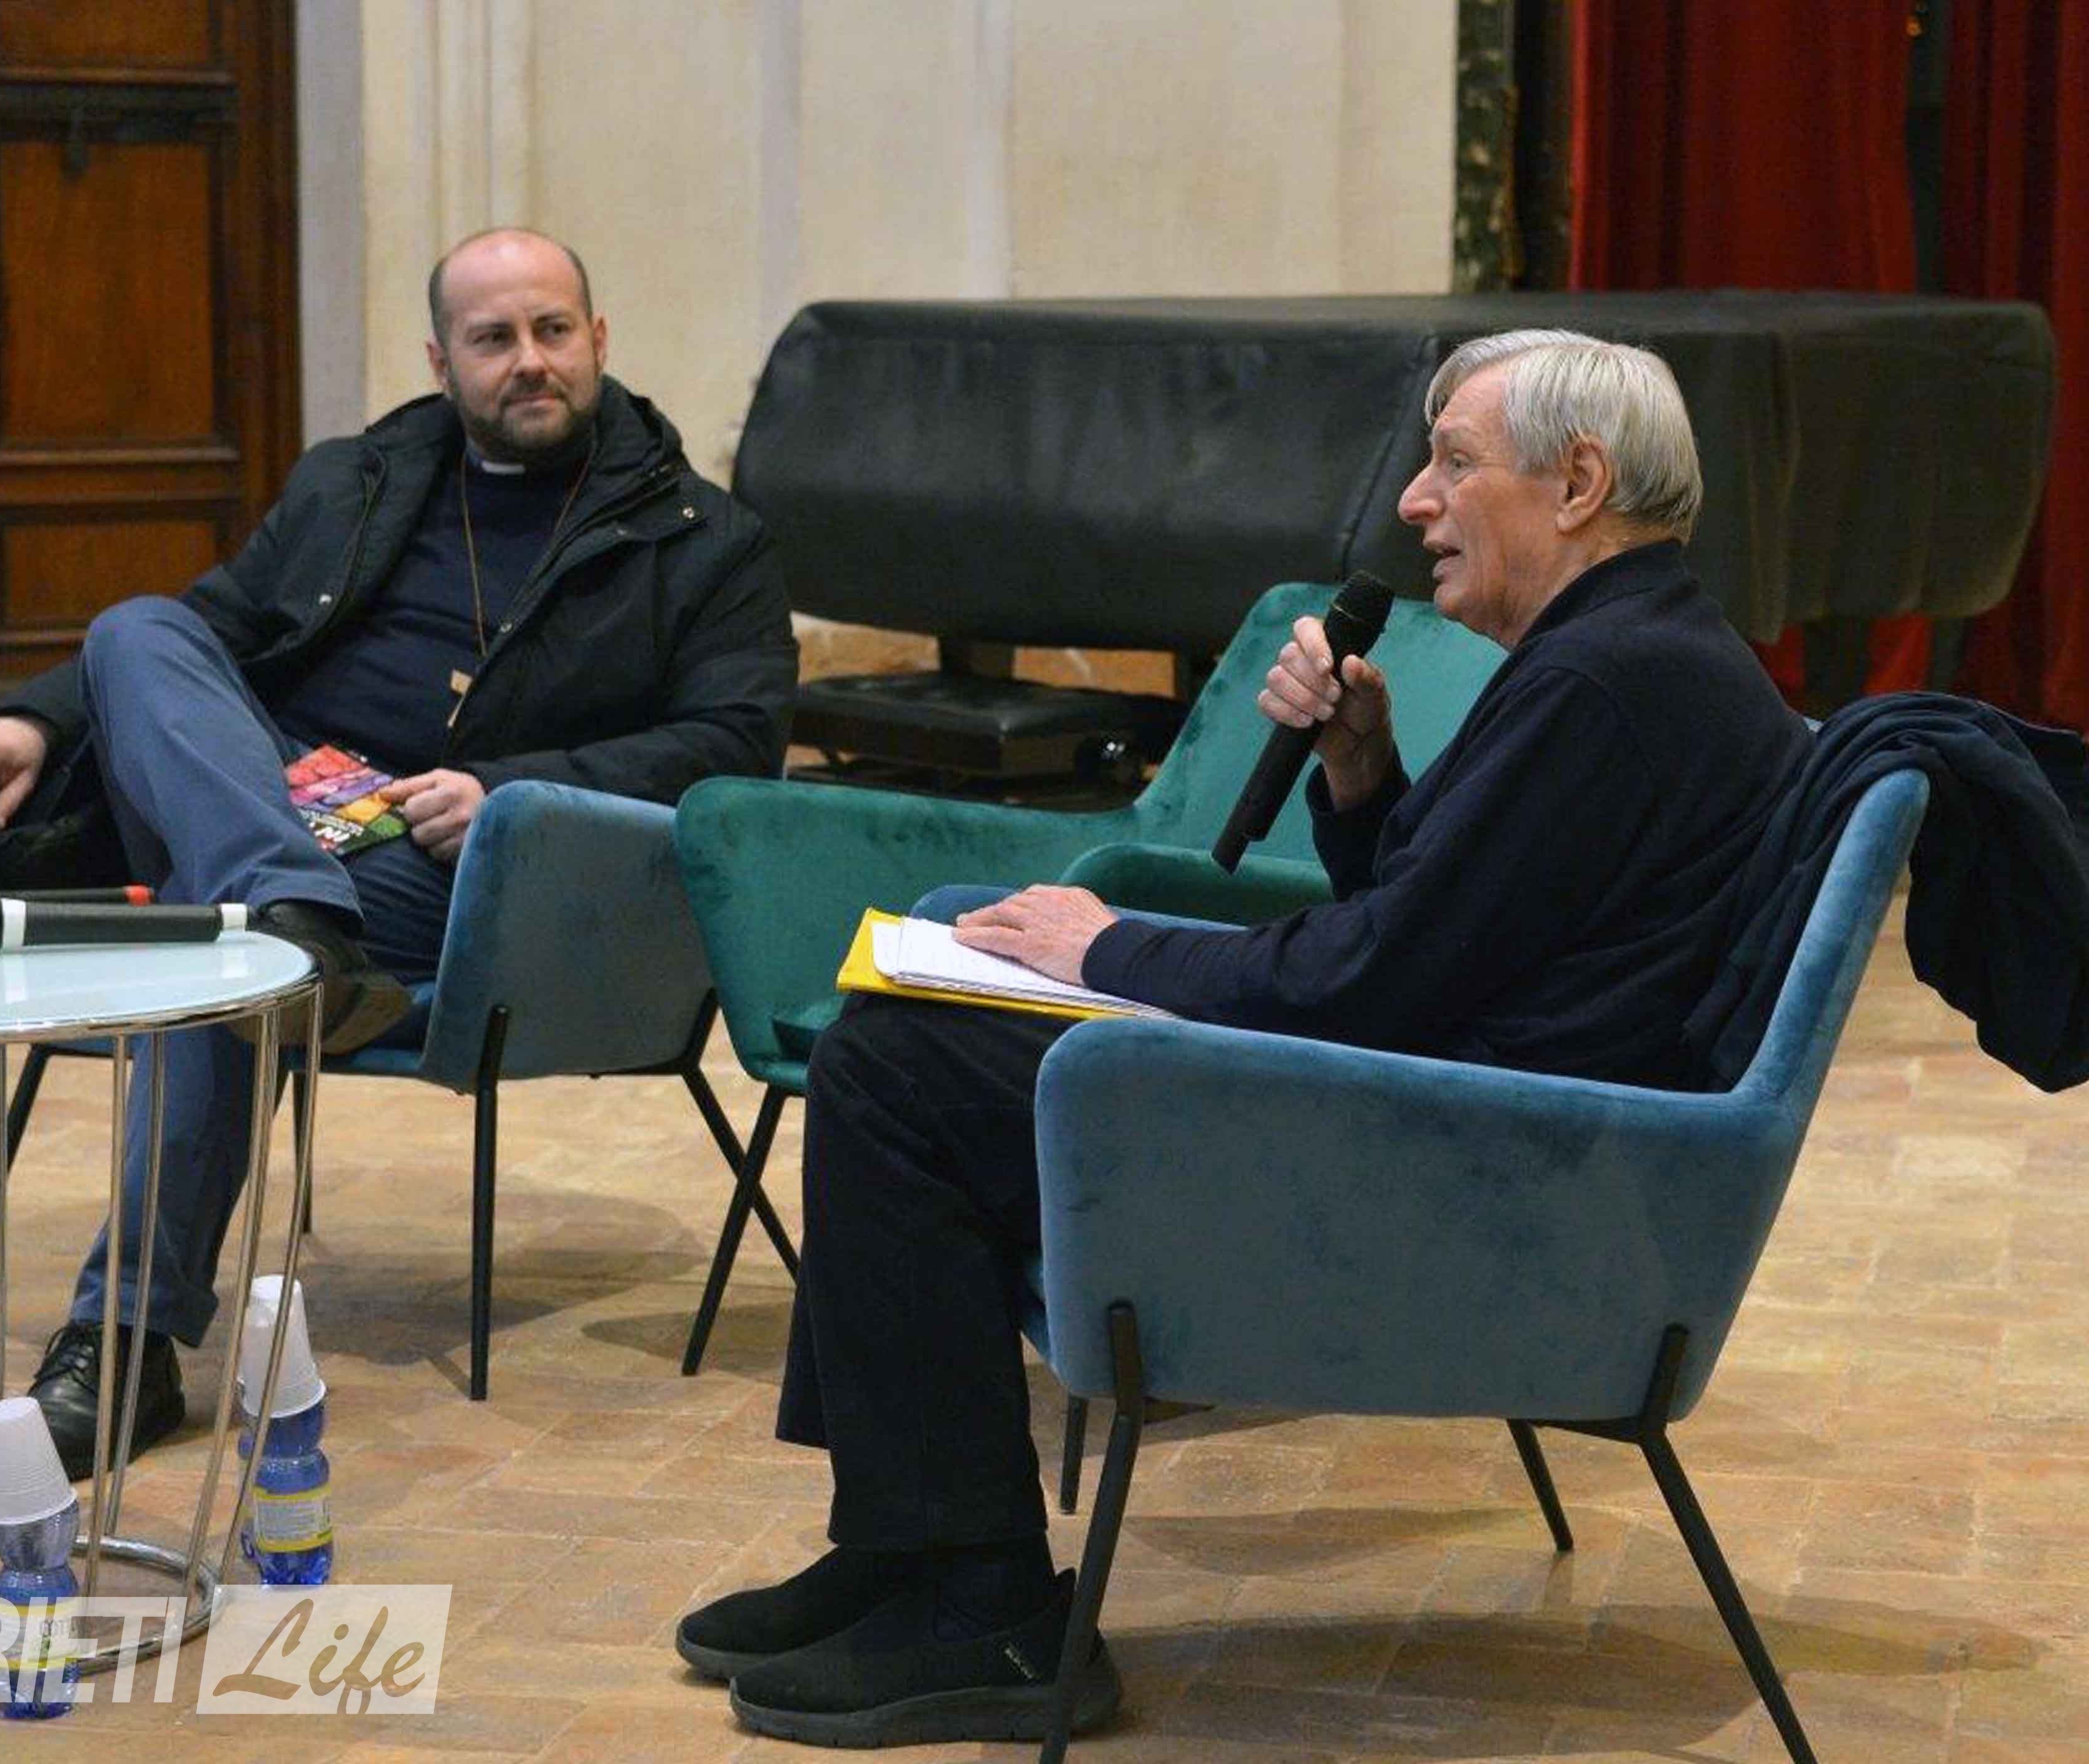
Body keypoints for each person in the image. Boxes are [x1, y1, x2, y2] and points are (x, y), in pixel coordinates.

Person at [675, 330, 1813, 1747]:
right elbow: (1449, 937)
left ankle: (978, 1600)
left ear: (1578, 484)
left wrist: (1106, 949)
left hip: (1475, 1186)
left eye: (1453, 462)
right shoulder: (1630, 655)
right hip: (1476, 1130)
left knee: (898, 1067)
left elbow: (1368, 984)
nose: (1414, 501)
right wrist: (1361, 771)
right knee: (910, 1035)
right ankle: (906, 1549)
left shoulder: (1603, 683)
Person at [0, 227, 798, 1478]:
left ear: (598, 340)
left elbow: (738, 743)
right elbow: (211, 628)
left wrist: (510, 788)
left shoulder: (707, 538)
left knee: (218, 945)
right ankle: (293, 916)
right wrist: (33, 720)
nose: (530, 360)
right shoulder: (359, 481)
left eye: (553, 330)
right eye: (494, 339)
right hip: (276, 810)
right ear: (442, 361)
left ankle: (123, 1342)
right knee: (135, 631)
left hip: (470, 873)